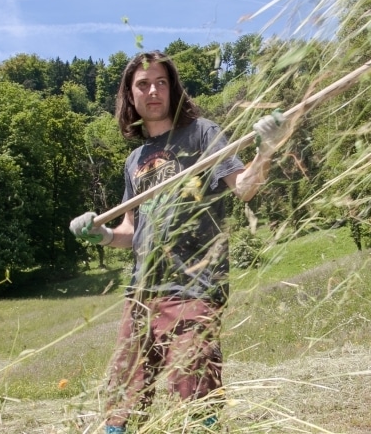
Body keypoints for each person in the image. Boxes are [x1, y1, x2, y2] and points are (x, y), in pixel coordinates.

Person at [69, 50, 292, 433]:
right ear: (130, 95)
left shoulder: (203, 133)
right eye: (143, 84)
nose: (153, 90)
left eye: (161, 82)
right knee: (123, 396)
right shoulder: (135, 159)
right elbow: (130, 232)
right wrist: (102, 234)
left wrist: (267, 149)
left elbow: (245, 188)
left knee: (195, 385)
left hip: (195, 286)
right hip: (141, 291)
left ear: (173, 90)